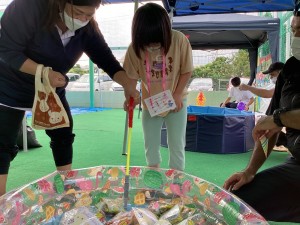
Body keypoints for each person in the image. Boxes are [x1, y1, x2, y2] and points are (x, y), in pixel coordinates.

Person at [0, 0, 139, 196]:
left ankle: (67, 187)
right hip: (10, 86)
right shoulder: (28, 7)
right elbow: (7, 50)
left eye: (89, 15)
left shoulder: (86, 29)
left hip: (51, 89)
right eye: (78, 12)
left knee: (63, 133)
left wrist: (128, 84)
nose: (83, 19)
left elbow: (106, 59)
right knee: (3, 141)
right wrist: (43, 72)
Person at [223, 13, 300, 222]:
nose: (296, 36)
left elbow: (275, 121)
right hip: (297, 164)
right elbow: (268, 132)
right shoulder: (290, 70)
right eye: (294, 30)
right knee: (237, 202)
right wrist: (249, 171)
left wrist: (278, 120)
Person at [123, 3, 193, 171]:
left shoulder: (179, 40)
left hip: (177, 103)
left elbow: (186, 71)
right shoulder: (134, 48)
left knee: (177, 144)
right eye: (149, 42)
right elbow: (130, 78)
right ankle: (153, 178)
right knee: (151, 146)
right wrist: (130, 98)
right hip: (150, 104)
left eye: (158, 41)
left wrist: (176, 95)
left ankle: (176, 182)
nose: (153, 45)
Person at [240, 62, 288, 150]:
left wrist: (248, 88)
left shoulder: (287, 84)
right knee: (271, 128)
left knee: (270, 129)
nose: (271, 78)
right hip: (284, 116)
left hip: (289, 116)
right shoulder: (281, 86)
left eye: (272, 75)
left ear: (281, 72)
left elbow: (267, 94)